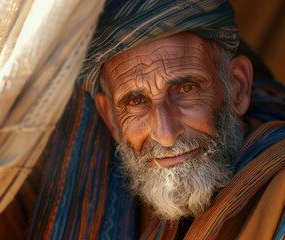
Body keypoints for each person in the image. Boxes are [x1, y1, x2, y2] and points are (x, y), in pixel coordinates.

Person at [29, 0, 285, 239]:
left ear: (237, 87)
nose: (165, 134)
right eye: (136, 102)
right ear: (111, 119)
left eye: (186, 89)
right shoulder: (81, 191)